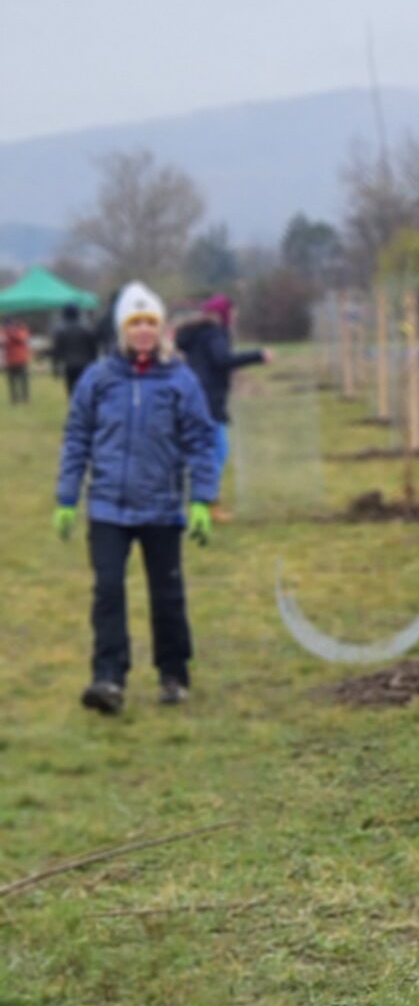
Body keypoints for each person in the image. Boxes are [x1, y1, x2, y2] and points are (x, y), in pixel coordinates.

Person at [54, 282, 220, 715]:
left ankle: (173, 673)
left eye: (150, 323)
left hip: (161, 507)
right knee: (107, 592)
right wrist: (67, 497)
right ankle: (108, 677)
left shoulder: (180, 380)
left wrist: (202, 499)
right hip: (108, 507)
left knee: (166, 593)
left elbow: (202, 440)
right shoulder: (98, 379)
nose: (143, 330)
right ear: (122, 330)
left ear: (161, 329)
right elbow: (76, 439)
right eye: (135, 323)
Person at [173, 294, 270, 518]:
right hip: (209, 399)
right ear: (224, 313)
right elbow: (222, 360)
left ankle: (198, 499)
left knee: (200, 451)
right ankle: (207, 503)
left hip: (194, 395)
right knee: (216, 451)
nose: (235, 317)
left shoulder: (195, 333)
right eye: (233, 313)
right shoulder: (215, 333)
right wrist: (258, 355)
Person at [49, 303, 99, 396]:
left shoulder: (61, 331)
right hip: (85, 363)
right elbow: (93, 348)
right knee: (86, 388)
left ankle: (75, 406)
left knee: (71, 389)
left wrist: (55, 367)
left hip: (69, 365)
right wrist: (94, 362)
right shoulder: (86, 329)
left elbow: (57, 350)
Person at [4, 316, 30, 402]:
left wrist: (11, 333)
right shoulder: (5, 332)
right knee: (12, 382)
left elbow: (22, 338)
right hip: (11, 360)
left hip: (21, 360)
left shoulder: (21, 330)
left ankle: (25, 398)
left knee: (23, 381)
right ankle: (14, 398)